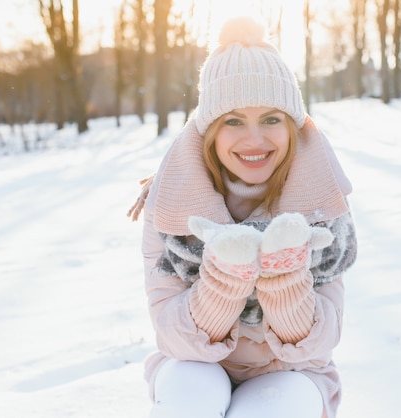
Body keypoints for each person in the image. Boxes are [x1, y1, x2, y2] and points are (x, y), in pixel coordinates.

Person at [128, 16, 357, 418]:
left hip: (293, 370)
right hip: (194, 363)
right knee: (188, 400)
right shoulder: (172, 202)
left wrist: (284, 276)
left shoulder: (321, 200)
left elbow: (320, 340)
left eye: (271, 119)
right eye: (233, 121)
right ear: (209, 130)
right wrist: (225, 279)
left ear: (293, 127)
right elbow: (171, 334)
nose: (255, 140)